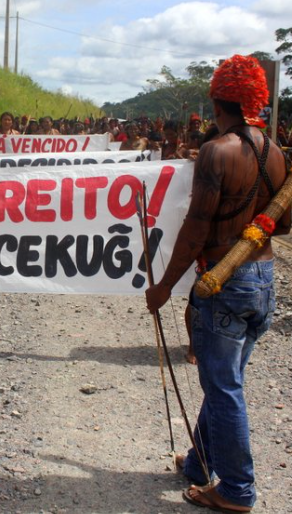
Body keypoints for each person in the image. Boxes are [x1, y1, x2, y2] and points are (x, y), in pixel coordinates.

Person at [146, 55, 291, 513]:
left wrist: (165, 284)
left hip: (223, 281)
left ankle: (236, 489)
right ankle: (197, 464)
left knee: (224, 387)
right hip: (264, 277)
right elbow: (282, 226)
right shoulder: (276, 153)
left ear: (215, 101)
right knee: (224, 381)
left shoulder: (217, 151)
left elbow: (196, 226)